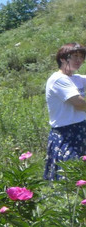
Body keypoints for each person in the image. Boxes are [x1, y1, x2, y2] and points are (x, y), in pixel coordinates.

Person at [43, 43, 86, 180]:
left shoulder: (76, 78)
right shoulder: (58, 79)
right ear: (62, 59)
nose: (79, 60)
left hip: (80, 130)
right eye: (74, 56)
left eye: (81, 57)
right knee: (70, 177)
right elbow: (79, 103)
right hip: (66, 134)